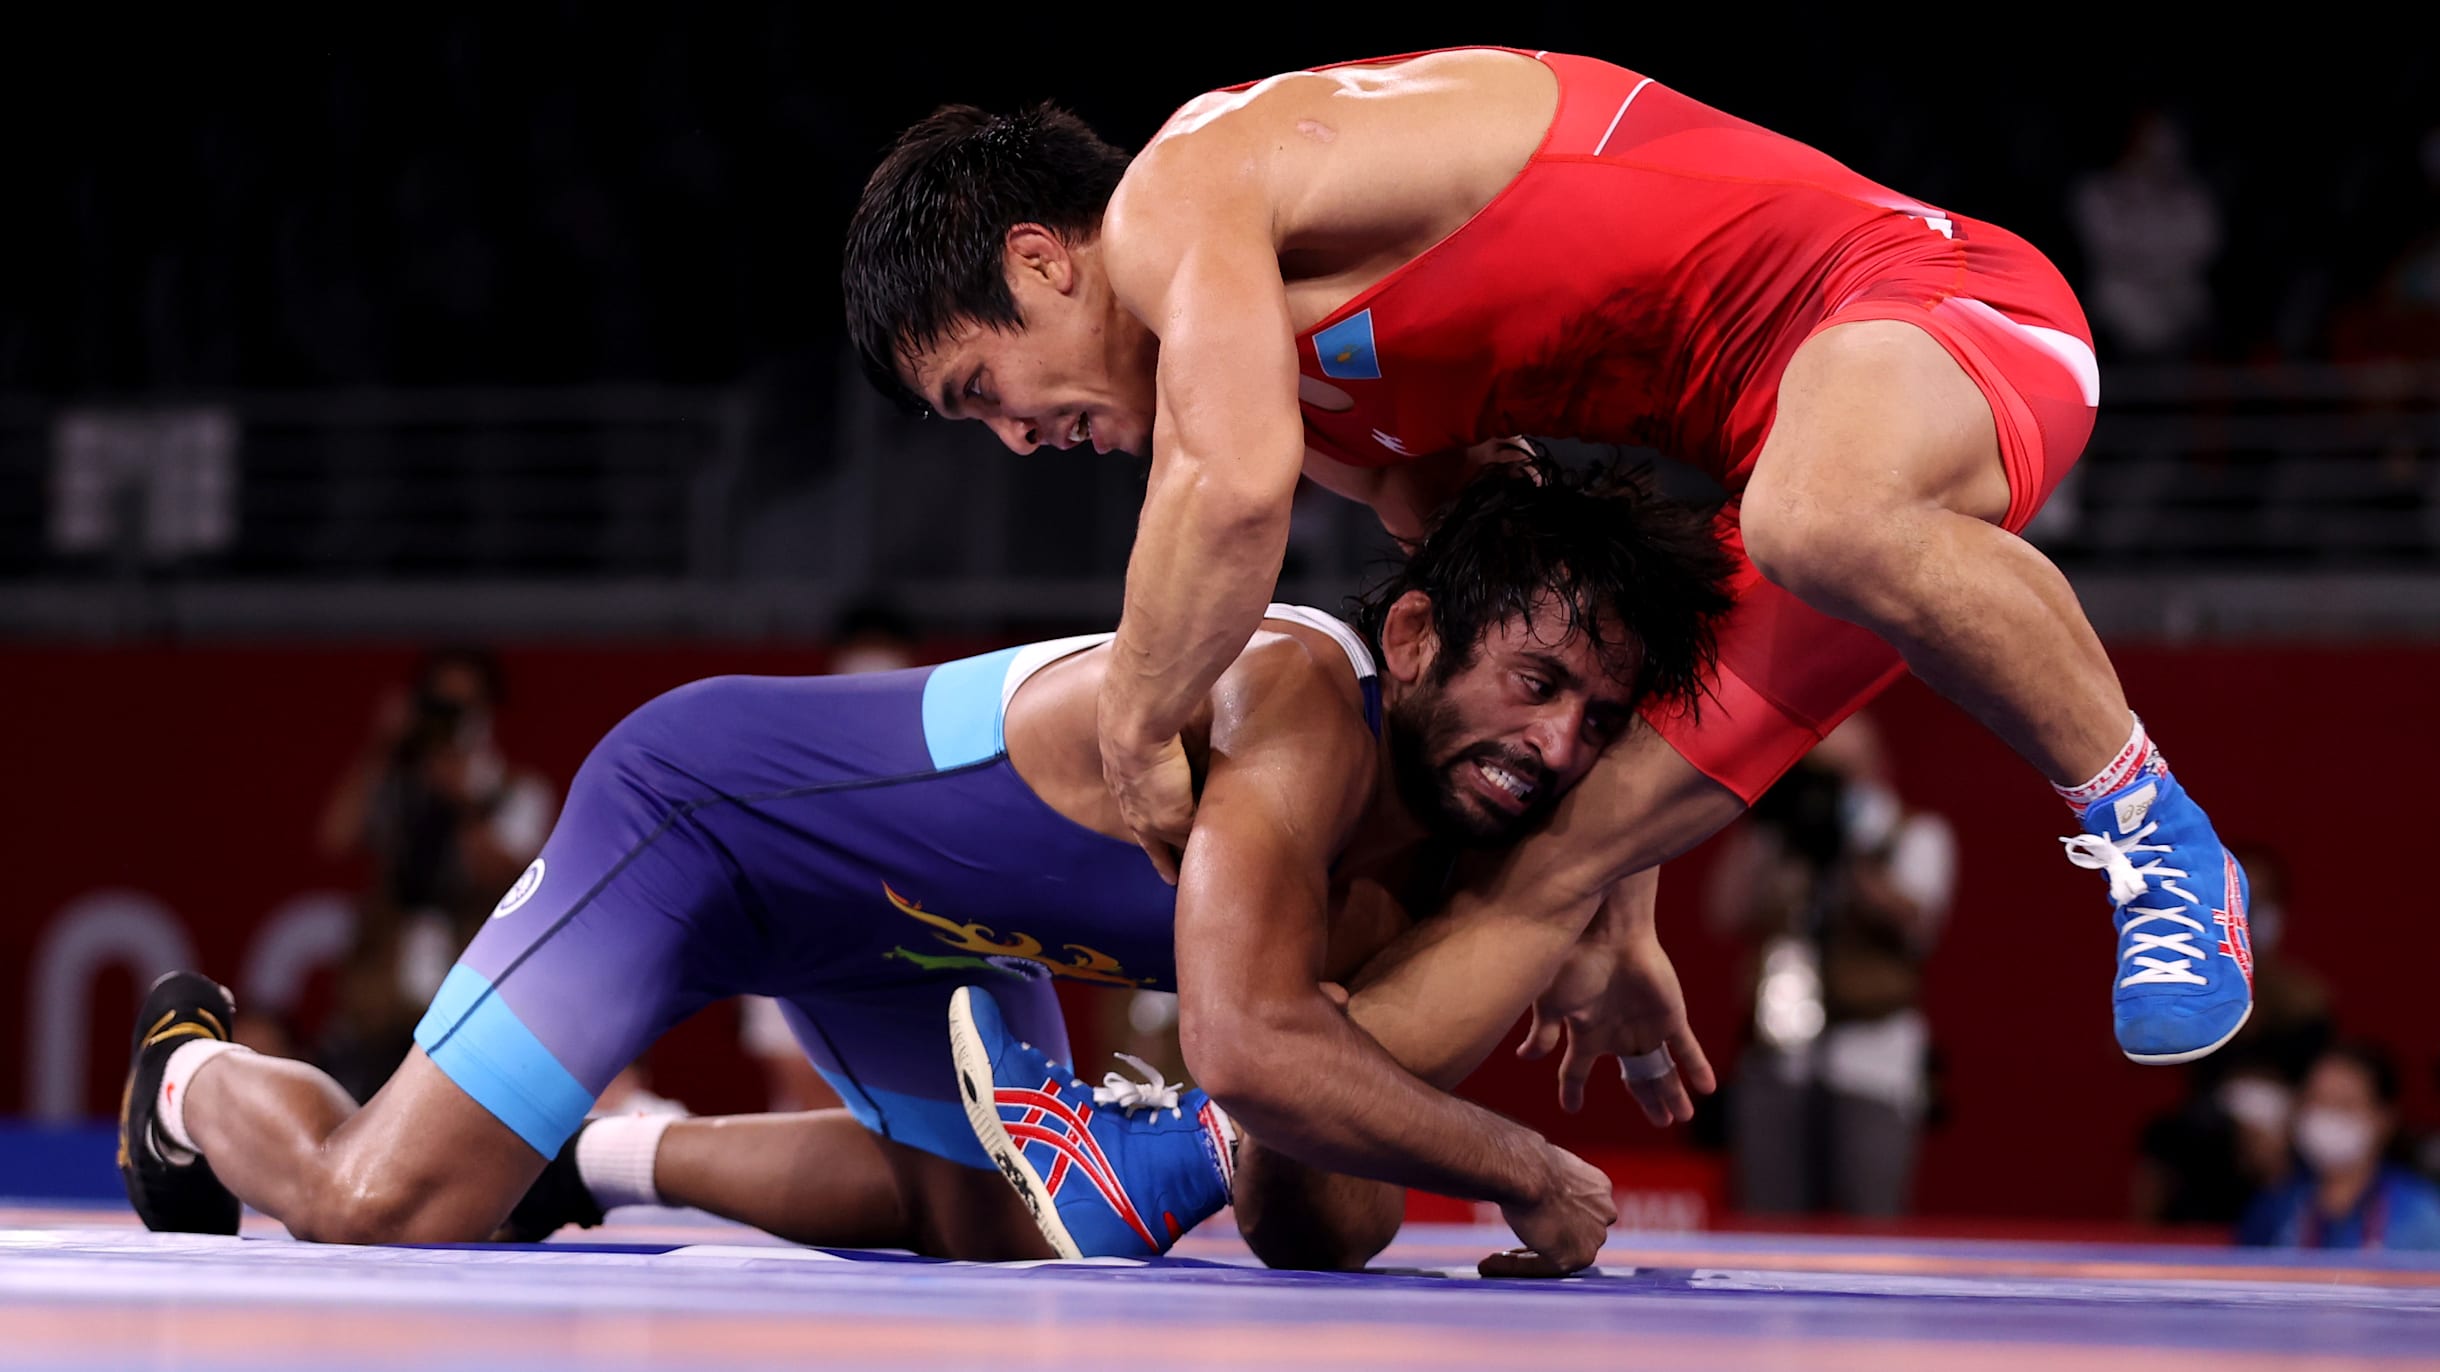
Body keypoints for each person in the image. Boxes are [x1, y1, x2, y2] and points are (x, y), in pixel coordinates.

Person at [842, 46, 2255, 1083]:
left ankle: (2160, 833)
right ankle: (1181, 1159)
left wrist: (1140, 718)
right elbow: (1562, 615)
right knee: (1543, 869)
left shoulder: (1185, 188)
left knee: (1816, 517)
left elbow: (1226, 494)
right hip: (1802, 468)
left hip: (1932, 307)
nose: (1019, 440)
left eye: (983, 391)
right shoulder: (1334, 411)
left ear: (1043, 262)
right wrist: (1623, 897)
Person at [118, 457, 1734, 1276]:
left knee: (1001, 1232)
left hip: (934, 937)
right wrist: (1516, 1163)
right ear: (1414, 637)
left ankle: (587, 1166)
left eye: (1602, 718)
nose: (1564, 743)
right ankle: (187, 1079)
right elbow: (1257, 1047)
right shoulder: (1297, 700)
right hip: (707, 824)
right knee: (376, 1209)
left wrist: (1578, 917)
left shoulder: (1467, 858)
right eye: (1539, 685)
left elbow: (1328, 1222)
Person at [1705, 710, 1954, 1218]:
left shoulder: (1914, 834)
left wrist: (1849, 846)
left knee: (1871, 1223)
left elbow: (1916, 922)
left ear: (1875, 767)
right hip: (1779, 1058)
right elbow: (1724, 912)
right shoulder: (1782, 838)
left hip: (1873, 1062)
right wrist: (1766, 825)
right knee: (1768, 1218)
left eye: (1838, 773)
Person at [310, 645, 557, 1102]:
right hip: (379, 1005)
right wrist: (381, 749)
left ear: (488, 711)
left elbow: (507, 874)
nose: (451, 719)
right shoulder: (395, 780)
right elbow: (334, 838)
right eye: (438, 705)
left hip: (468, 1008)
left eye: (463, 706)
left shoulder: (517, 791)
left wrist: (463, 796)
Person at [2237, 1043, 2440, 1251]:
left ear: (2384, 1118)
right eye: (2316, 1100)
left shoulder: (2422, 1215)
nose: (2328, 1115)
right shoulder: (2277, 1207)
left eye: (2345, 1104)